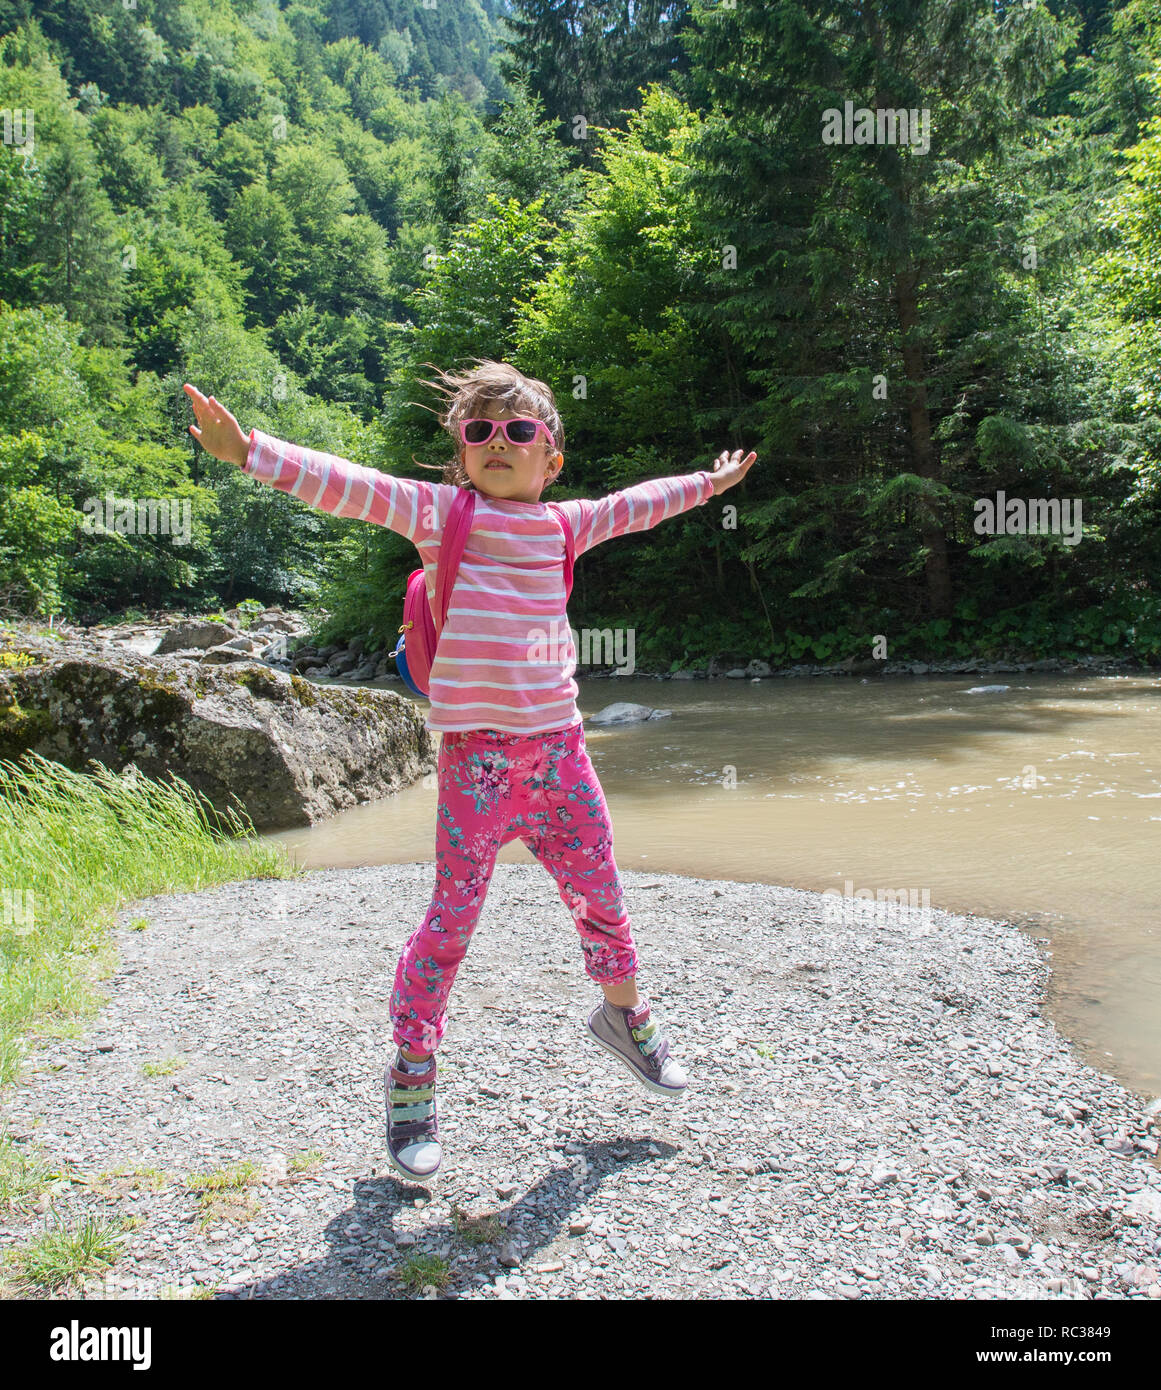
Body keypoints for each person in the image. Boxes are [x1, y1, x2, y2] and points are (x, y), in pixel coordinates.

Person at [184, 361, 757, 1182]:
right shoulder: (440, 513)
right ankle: (411, 1074)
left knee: (601, 895)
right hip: (474, 763)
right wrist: (251, 452)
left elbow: (639, 505)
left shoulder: (565, 526)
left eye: (518, 431)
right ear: (461, 452)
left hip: (560, 753)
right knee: (450, 925)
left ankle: (623, 1019)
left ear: (549, 459)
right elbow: (347, 485)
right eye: (478, 431)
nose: (497, 443)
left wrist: (709, 482)